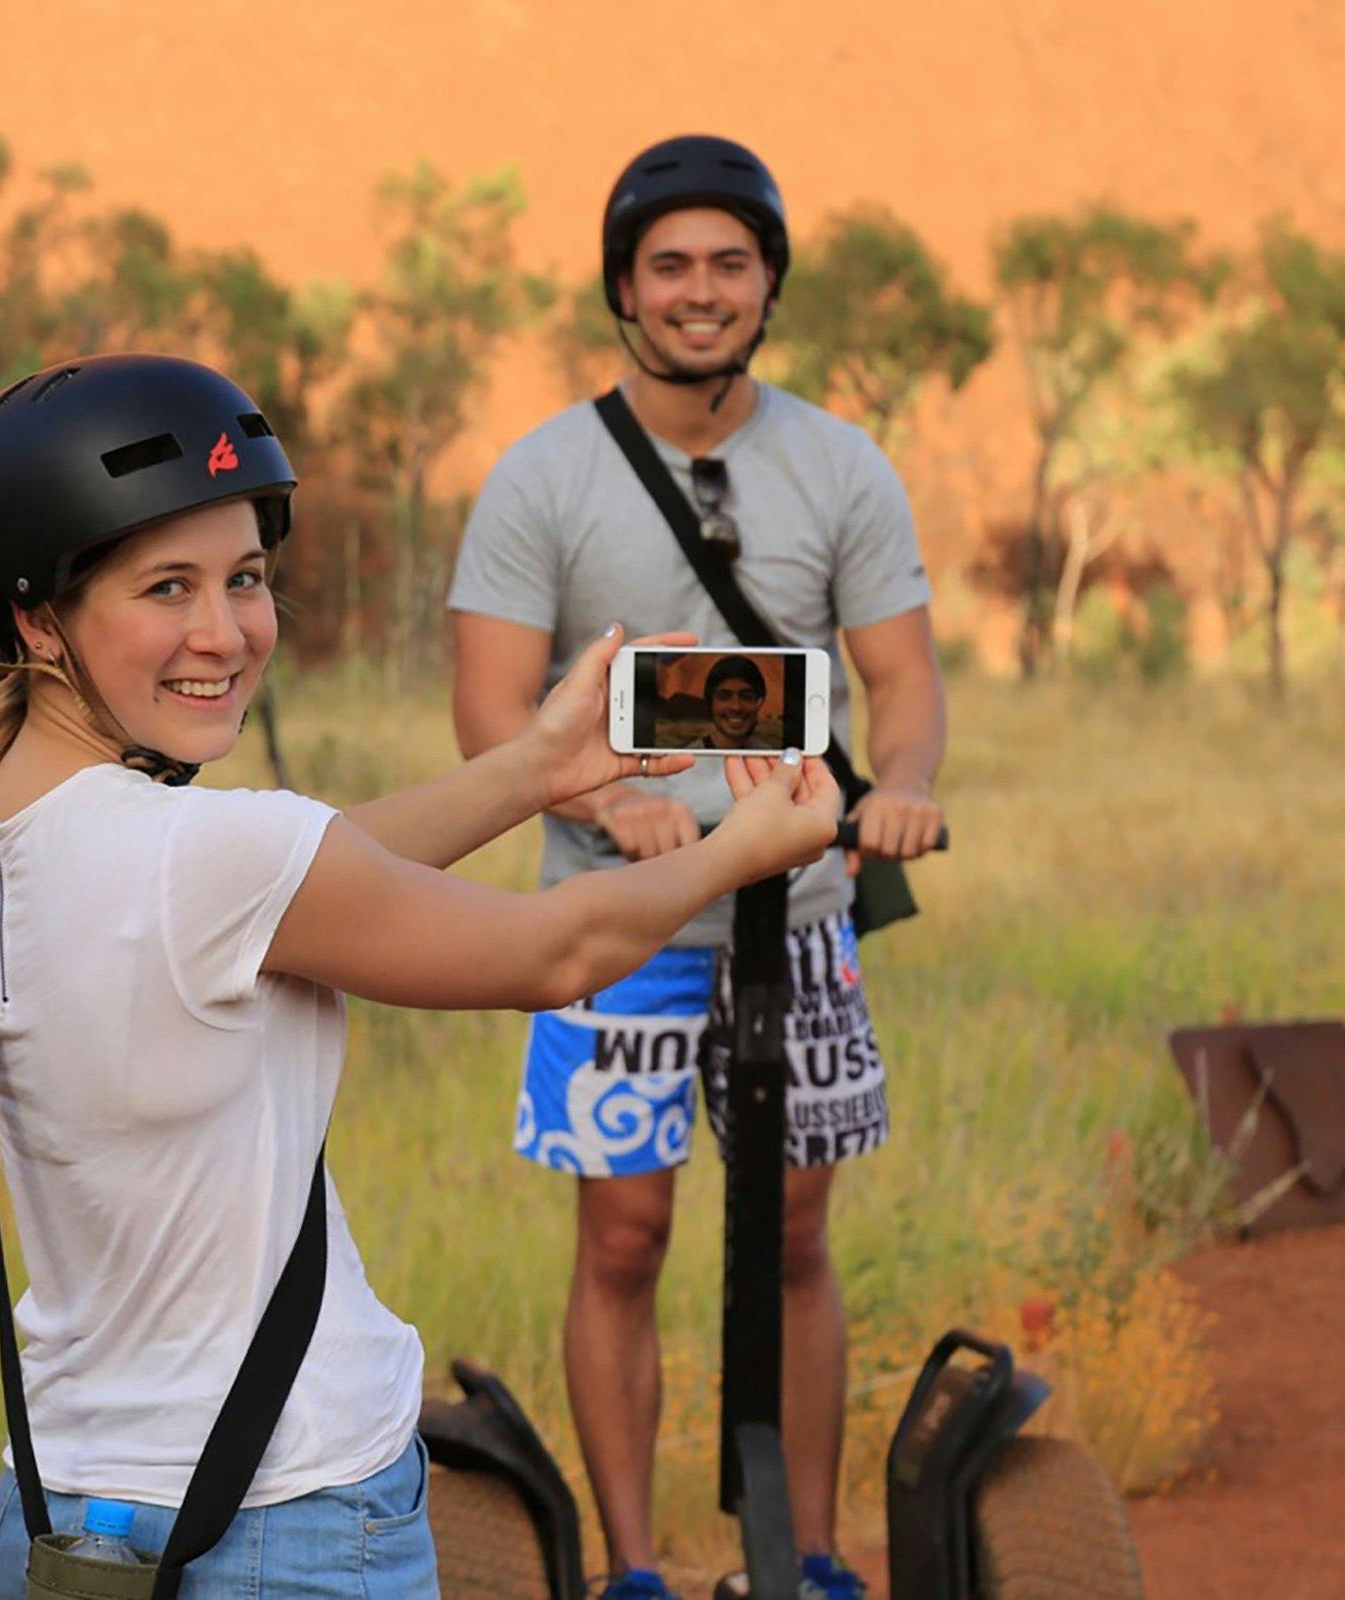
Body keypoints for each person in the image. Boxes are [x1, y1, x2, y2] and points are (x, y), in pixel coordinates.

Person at [0, 353, 848, 1600]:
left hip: (58, 1511)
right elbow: (555, 951)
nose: (225, 632)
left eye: (246, 578)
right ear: (36, 622)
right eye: (167, 587)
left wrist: (535, 768)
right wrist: (738, 851)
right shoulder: (204, 856)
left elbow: (306, 875)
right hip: (286, 1519)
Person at [447, 135, 948, 1600]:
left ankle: (808, 1557)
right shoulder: (543, 477)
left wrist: (904, 786)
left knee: (792, 1228)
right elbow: (489, 706)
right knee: (624, 1234)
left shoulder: (838, 465)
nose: (699, 290)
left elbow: (900, 676)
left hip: (797, 913)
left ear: (768, 283)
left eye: (730, 262)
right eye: (667, 264)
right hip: (613, 924)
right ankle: (633, 1569)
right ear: (623, 288)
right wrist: (615, 812)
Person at [693, 654, 770, 749]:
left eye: (746, 697)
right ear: (710, 703)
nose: (736, 707)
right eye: (724, 697)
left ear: (759, 703)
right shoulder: (688, 755)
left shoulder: (772, 754)